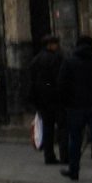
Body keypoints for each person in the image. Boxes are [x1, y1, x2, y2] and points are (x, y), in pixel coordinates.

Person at [61, 36, 92, 183]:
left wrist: (67, 102)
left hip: (75, 107)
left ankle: (74, 170)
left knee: (75, 139)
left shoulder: (69, 62)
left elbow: (62, 84)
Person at [27, 34, 66, 167]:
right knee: (62, 127)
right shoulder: (56, 58)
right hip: (56, 98)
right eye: (55, 43)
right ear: (50, 45)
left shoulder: (36, 60)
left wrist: (35, 99)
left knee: (48, 128)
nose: (57, 46)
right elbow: (59, 78)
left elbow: (32, 81)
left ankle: (49, 155)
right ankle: (64, 154)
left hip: (42, 99)